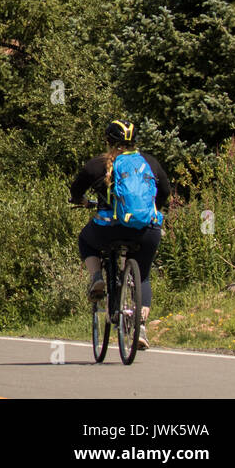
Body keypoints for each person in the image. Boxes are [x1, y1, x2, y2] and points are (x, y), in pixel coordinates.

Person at [70, 119, 170, 351]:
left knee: (85, 240)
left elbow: (75, 192)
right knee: (142, 276)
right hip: (147, 230)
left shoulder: (97, 165)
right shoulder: (150, 163)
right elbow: (164, 192)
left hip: (108, 229)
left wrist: (83, 202)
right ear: (134, 141)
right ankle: (141, 328)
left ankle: (97, 277)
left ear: (108, 141)